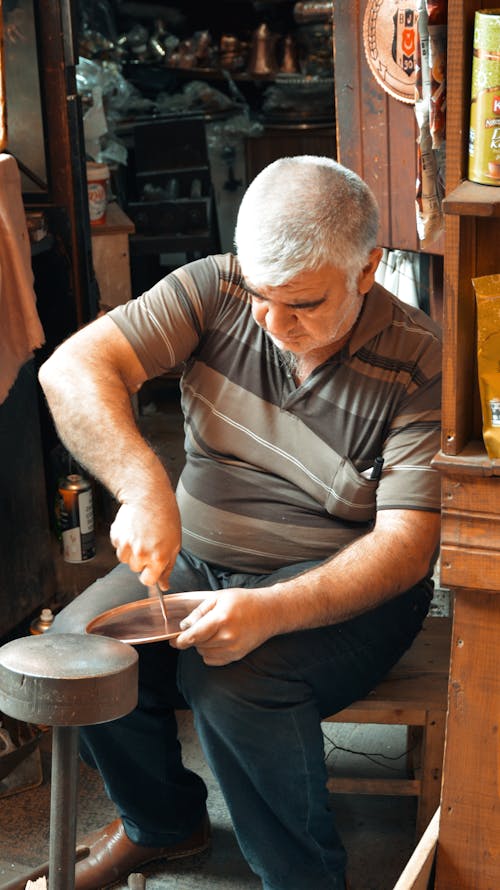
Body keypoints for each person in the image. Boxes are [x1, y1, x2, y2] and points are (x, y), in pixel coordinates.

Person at [38, 155, 442, 890]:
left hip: (346, 588)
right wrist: (142, 487)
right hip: (199, 557)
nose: (274, 322)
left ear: (366, 269)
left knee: (236, 678)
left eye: (305, 303)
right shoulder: (216, 286)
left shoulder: (421, 361)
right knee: (81, 650)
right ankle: (163, 825)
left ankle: (304, 879)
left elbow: (407, 547)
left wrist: (270, 610)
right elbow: (71, 369)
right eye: (261, 296)